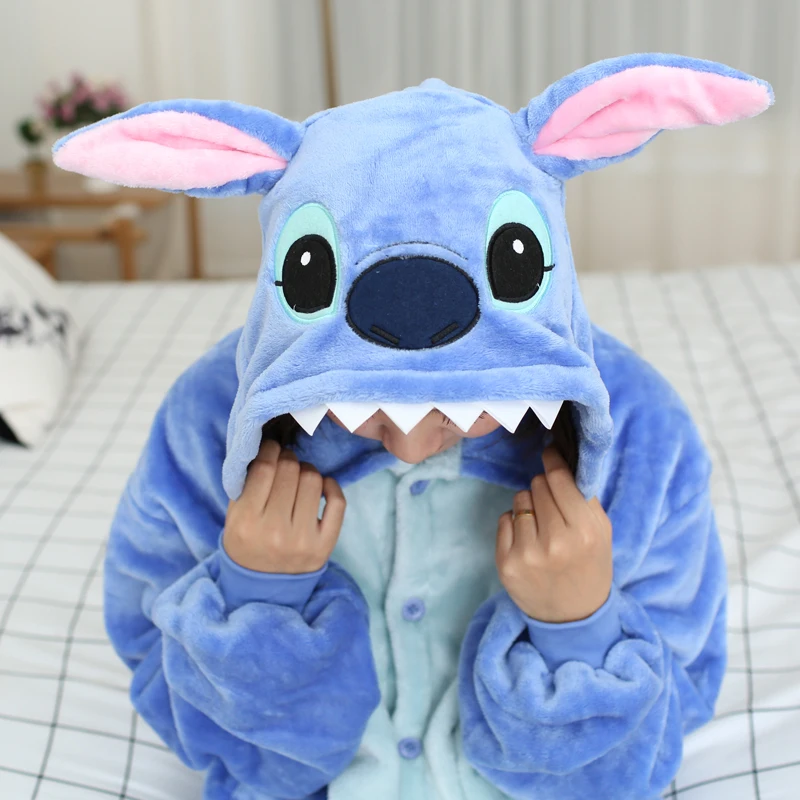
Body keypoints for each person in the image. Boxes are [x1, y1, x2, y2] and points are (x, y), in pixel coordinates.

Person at [53, 54, 773, 799]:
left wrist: (579, 629)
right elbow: (183, 706)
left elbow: (649, 745)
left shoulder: (642, 439)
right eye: (367, 402)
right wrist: (254, 597)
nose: (407, 444)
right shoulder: (205, 429)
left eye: (456, 403)